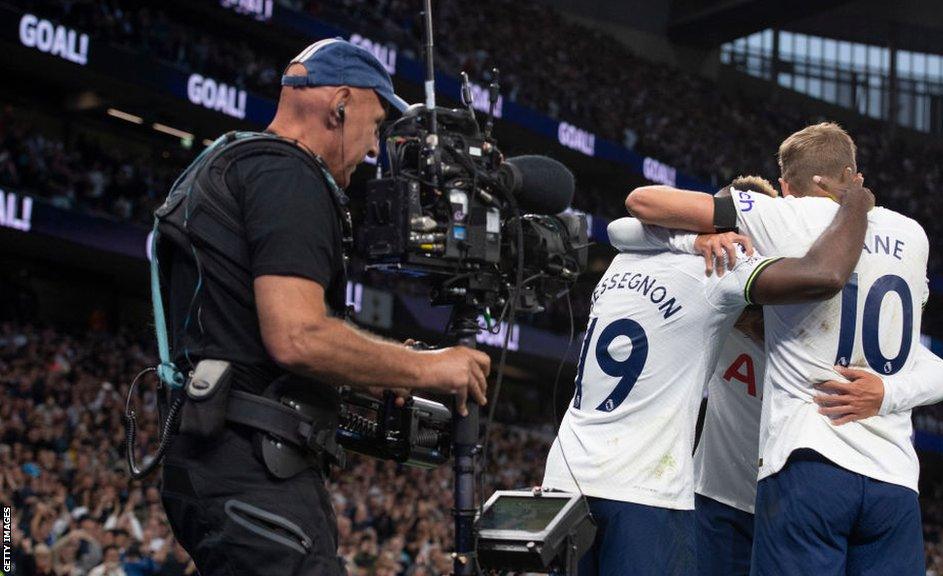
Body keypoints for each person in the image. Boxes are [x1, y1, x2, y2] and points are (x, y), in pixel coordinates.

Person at [154, 38, 491, 576]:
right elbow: (298, 337)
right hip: (253, 469)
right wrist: (430, 367)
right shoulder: (288, 173)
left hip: (218, 462)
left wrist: (375, 372)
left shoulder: (232, 160)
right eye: (376, 123)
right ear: (340, 105)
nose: (376, 148)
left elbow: (244, 338)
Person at [624, 122, 943, 575]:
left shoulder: (785, 217)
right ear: (853, 174)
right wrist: (888, 393)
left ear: (785, 188)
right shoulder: (913, 234)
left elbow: (644, 203)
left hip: (808, 461)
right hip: (893, 475)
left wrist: (701, 234)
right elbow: (933, 362)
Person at [542, 169, 874, 575]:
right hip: (644, 492)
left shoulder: (624, 257)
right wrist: (856, 202)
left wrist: (689, 237)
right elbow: (824, 275)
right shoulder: (723, 268)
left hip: (565, 475)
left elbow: (622, 226)